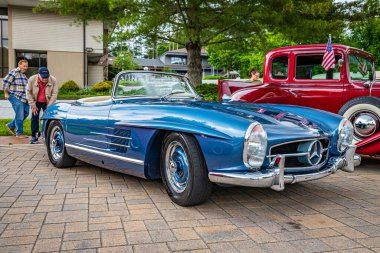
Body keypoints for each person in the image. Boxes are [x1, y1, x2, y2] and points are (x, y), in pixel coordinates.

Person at [27, 67, 58, 144]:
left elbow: (54, 94)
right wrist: (33, 105)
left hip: (47, 102)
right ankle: (35, 136)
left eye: (46, 77)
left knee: (48, 118)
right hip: (36, 101)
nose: (45, 79)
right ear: (39, 75)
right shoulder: (32, 79)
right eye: (43, 77)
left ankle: (47, 135)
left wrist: (49, 106)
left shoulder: (53, 80)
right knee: (34, 118)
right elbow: (28, 92)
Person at [2, 60, 30, 138]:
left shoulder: (24, 75)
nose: (26, 68)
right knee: (20, 115)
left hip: (24, 98)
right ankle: (19, 133)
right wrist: (6, 93)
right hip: (15, 96)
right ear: (19, 65)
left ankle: (11, 125)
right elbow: (5, 81)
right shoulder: (15, 71)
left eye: (27, 66)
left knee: (26, 113)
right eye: (24, 66)